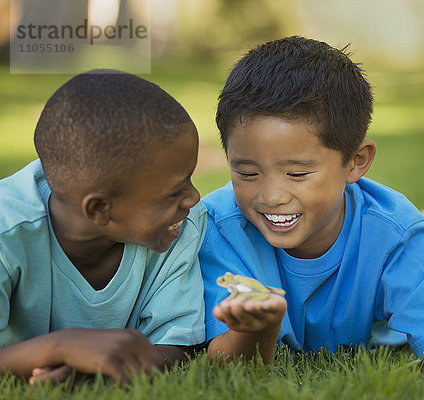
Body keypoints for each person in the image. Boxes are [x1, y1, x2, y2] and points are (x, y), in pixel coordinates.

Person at [199, 36, 424, 395]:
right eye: (246, 173)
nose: (271, 196)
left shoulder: (397, 235)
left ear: (356, 162)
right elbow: (223, 363)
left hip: (386, 265)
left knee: (408, 240)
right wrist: (258, 329)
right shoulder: (218, 227)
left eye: (297, 174)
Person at [0, 70, 285, 385]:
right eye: (174, 192)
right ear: (99, 209)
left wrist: (88, 371)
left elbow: (177, 346)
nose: (193, 198)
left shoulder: (183, 227)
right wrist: (61, 346)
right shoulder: (7, 230)